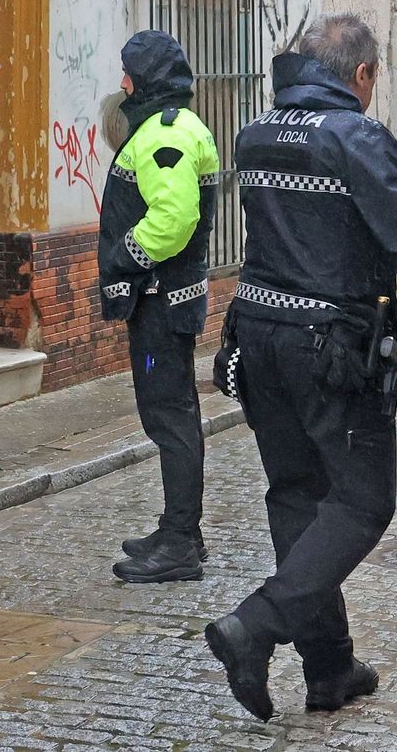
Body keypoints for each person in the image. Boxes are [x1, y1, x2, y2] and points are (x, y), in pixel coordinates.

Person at [203, 14, 397, 719]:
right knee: (364, 502)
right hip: (331, 343)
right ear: (362, 76)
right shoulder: (356, 138)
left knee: (297, 495)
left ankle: (329, 669)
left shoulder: (256, 132)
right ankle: (257, 626)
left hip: (257, 333)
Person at [98, 30, 220, 584]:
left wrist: (124, 257)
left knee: (168, 416)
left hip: (160, 304)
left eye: (128, 73)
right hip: (168, 302)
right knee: (176, 414)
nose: (121, 83)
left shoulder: (162, 135)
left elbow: (173, 220)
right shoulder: (171, 127)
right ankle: (181, 530)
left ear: (144, 79)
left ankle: (178, 541)